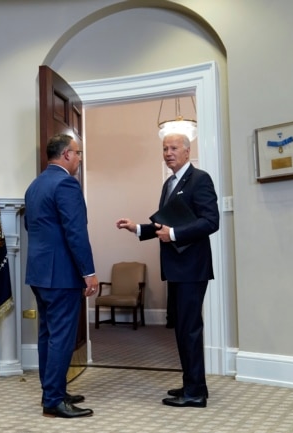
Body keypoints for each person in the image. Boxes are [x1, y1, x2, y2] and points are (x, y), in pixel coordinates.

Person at [115, 132, 219, 409]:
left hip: (192, 268)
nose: (168, 152)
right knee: (182, 328)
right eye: (164, 148)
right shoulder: (169, 183)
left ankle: (195, 392)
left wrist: (173, 234)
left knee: (190, 329)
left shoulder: (200, 179)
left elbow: (211, 221)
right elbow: (164, 224)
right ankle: (191, 384)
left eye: (173, 148)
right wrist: (137, 228)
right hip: (176, 268)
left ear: (187, 151)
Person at [24, 133, 99, 418]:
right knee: (62, 338)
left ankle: (52, 390)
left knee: (47, 335)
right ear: (67, 154)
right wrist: (88, 273)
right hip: (62, 274)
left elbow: (35, 230)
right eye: (78, 154)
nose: (79, 159)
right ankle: (54, 400)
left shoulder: (35, 185)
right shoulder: (66, 183)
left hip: (40, 273)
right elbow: (76, 232)